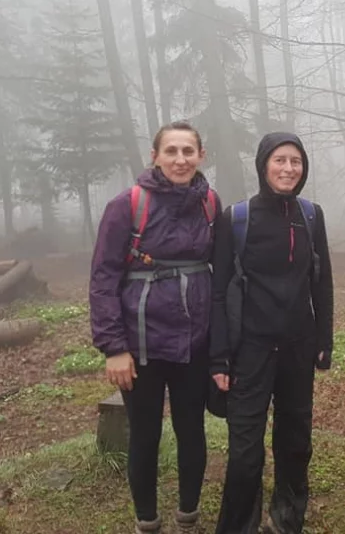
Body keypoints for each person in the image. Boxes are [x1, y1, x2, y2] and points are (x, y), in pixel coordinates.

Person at [90, 121, 221, 534]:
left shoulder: (211, 204)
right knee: (144, 434)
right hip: (139, 346)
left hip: (194, 342)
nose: (180, 160)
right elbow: (103, 278)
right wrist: (114, 347)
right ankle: (147, 522)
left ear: (201, 155)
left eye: (188, 151)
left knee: (192, 430)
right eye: (171, 151)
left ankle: (188, 518)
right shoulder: (127, 205)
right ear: (155, 156)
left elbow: (224, 276)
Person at [210, 131, 334, 534]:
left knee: (295, 441)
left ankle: (287, 520)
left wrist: (325, 338)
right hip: (251, 348)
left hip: (299, 346)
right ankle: (238, 526)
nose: (288, 169)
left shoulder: (311, 215)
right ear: (264, 165)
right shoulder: (237, 218)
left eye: (295, 161)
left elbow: (323, 283)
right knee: (246, 450)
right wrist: (219, 356)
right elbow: (218, 291)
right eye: (279, 160)